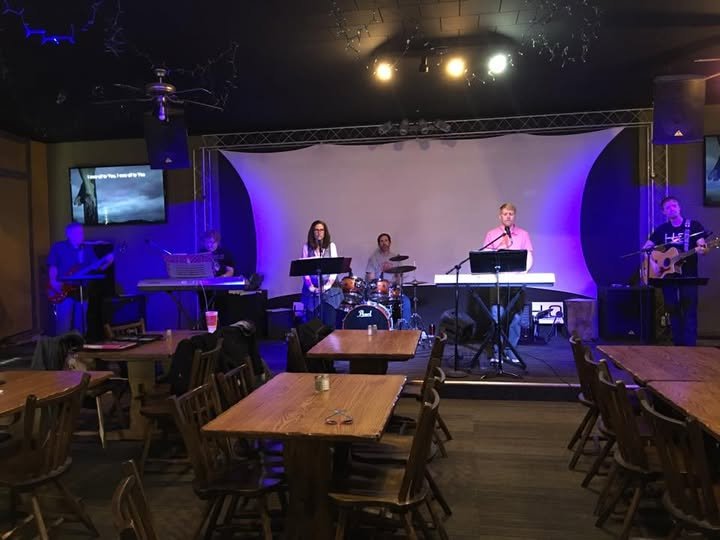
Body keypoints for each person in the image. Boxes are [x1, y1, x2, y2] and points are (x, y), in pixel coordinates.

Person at [643, 196, 707, 346]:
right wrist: (654, 264)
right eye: (668, 207)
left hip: (688, 275)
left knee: (689, 310)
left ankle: (690, 347)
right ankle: (678, 345)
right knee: (672, 309)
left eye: (674, 205)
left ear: (679, 207)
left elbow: (703, 247)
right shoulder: (662, 230)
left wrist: (702, 249)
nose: (672, 209)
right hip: (668, 277)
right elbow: (646, 249)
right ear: (664, 212)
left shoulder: (693, 226)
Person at [482, 203, 534, 361]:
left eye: (511, 213)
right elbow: (485, 255)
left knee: (516, 318)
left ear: (514, 216)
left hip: (516, 282)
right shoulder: (492, 234)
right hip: (497, 282)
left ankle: (511, 351)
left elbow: (529, 256)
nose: (508, 216)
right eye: (505, 214)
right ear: (500, 216)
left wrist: (522, 273)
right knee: (496, 316)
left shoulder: (523, 234)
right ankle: (497, 352)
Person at [48, 222, 114, 335]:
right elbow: (53, 266)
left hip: (82, 291)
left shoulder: (87, 248)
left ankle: (80, 344)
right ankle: (63, 345)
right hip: (63, 290)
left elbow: (97, 267)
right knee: (63, 326)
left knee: (81, 326)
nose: (80, 235)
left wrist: (108, 261)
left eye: (81, 233)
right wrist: (53, 281)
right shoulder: (59, 247)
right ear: (68, 234)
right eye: (77, 233)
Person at [300, 220, 344, 328]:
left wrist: (327, 286)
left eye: (321, 230)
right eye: (316, 230)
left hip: (330, 290)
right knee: (312, 324)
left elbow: (334, 269)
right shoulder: (306, 247)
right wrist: (311, 287)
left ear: (325, 232)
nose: (319, 232)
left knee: (329, 322)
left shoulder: (331, 246)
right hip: (312, 290)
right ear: (312, 232)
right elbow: (305, 271)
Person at [365, 233, 412, 325]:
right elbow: (371, 279)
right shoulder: (373, 258)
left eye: (386, 240)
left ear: (390, 243)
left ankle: (406, 329)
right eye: (381, 241)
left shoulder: (396, 258)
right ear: (379, 244)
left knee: (406, 302)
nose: (384, 243)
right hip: (379, 291)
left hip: (392, 291)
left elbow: (398, 279)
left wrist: (396, 283)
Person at [199, 230, 236, 323]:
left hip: (221, 288)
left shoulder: (224, 253)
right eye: (207, 242)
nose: (209, 245)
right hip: (205, 288)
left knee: (222, 313)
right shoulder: (201, 253)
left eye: (212, 242)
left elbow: (230, 271)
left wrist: (222, 277)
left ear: (217, 242)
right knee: (205, 312)